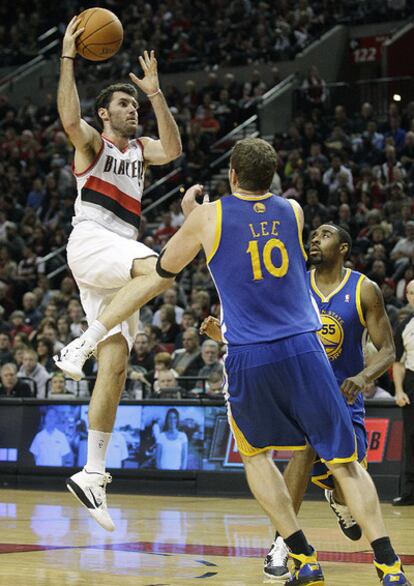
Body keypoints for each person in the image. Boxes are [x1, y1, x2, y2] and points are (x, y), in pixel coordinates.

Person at [55, 138, 410, 585]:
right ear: (272, 177)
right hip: (305, 348)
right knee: (345, 463)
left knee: (256, 456)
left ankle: (301, 555)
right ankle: (389, 566)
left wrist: (191, 219)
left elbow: (167, 269)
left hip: (250, 356)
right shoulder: (294, 211)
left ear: (233, 176)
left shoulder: (209, 216)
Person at [200, 223, 396, 578]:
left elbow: (388, 350)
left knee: (345, 478)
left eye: (325, 235)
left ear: (344, 248)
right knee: (302, 453)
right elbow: (261, 329)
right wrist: (228, 335)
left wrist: (363, 377)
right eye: (313, 235)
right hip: (300, 387)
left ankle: (339, 501)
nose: (314, 240)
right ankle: (284, 545)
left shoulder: (363, 289)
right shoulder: (292, 282)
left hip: (343, 396)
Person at [54, 16, 181, 531]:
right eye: (124, 104)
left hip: (115, 253)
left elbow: (172, 148)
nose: (131, 110)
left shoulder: (140, 152)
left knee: (118, 365)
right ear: (104, 113)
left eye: (133, 105)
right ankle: (82, 342)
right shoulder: (94, 144)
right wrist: (68, 57)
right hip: (91, 241)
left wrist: (154, 95)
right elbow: (68, 120)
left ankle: (92, 472)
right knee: (163, 267)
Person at [392, 279, 414, 506]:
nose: (413, 296)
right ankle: (409, 493)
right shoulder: (405, 325)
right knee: (411, 440)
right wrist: (398, 390)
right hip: (412, 382)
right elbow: (397, 362)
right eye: (410, 293)